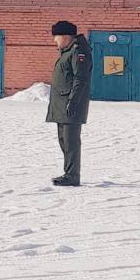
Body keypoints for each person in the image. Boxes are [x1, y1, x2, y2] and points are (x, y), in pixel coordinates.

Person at [47, 21, 91, 187]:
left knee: (71, 142)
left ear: (66, 36)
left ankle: (72, 176)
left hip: (71, 105)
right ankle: (69, 173)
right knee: (64, 141)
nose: (54, 40)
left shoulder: (78, 52)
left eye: (56, 37)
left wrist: (73, 101)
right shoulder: (67, 52)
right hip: (61, 105)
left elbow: (80, 79)